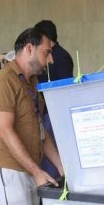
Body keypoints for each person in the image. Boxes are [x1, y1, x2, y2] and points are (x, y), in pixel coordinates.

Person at [0, 27, 63, 205]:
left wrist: (60, 165)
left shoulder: (32, 83)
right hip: (10, 170)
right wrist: (36, 171)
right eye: (47, 52)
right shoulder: (3, 81)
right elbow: (6, 131)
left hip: (31, 169)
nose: (51, 60)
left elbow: (41, 131)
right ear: (29, 48)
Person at [34, 20, 74, 178]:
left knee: (51, 159)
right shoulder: (61, 54)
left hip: (53, 114)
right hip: (50, 113)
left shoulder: (59, 56)